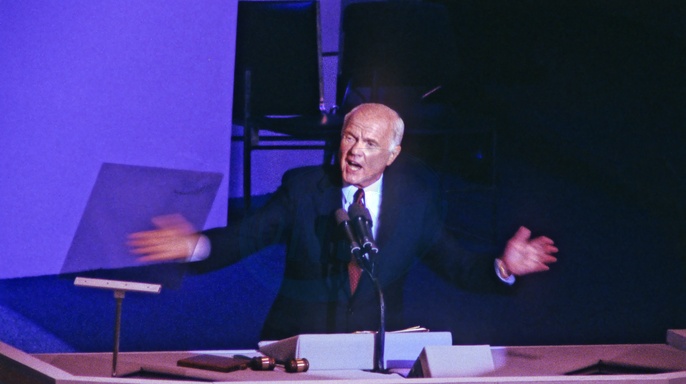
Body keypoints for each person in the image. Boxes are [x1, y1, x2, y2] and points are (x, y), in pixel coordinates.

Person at [128, 103, 558, 340]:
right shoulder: (303, 188)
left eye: (369, 143)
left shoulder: (415, 202)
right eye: (349, 137)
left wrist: (503, 267)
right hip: (295, 344)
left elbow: (457, 264)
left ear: (392, 155)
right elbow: (249, 235)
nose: (354, 151)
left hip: (375, 351)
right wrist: (196, 245)